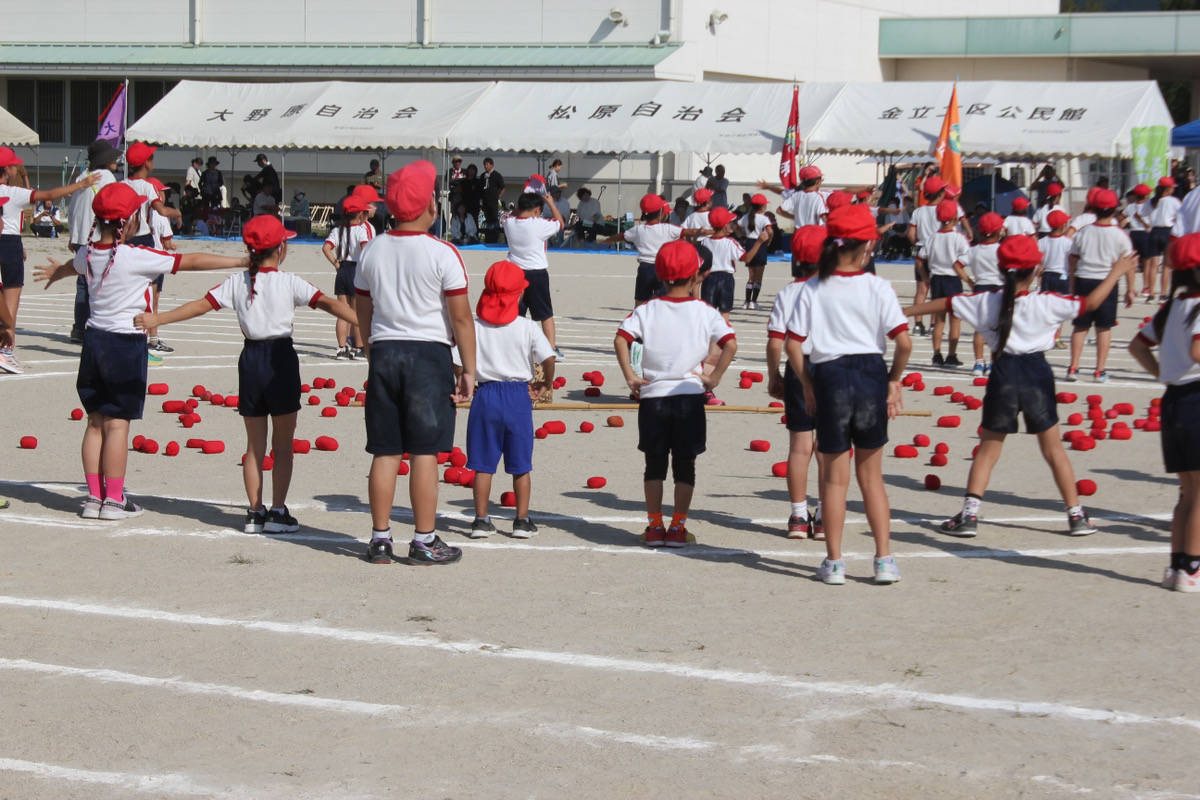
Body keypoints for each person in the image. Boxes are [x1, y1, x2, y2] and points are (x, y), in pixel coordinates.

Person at [32, 182, 247, 519]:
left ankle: (93, 498)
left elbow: (70, 267)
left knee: (95, 423)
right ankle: (115, 500)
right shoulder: (136, 256)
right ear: (129, 221)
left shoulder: (87, 252)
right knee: (118, 425)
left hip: (94, 343)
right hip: (125, 344)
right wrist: (239, 260)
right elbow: (188, 261)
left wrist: (54, 273)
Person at [134, 214, 356, 533]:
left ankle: (254, 513)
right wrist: (368, 324)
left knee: (254, 445)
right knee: (282, 445)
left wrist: (159, 319)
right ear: (281, 248)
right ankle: (278, 513)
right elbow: (330, 305)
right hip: (280, 360)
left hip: (250, 359)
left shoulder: (238, 282)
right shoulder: (289, 281)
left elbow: (200, 305)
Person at [909, 235, 1135, 539]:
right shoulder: (1048, 301)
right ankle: (1076, 515)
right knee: (1054, 450)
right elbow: (1092, 303)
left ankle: (969, 516)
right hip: (1037, 373)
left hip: (1003, 372)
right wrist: (1117, 272)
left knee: (988, 451)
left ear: (1001, 268)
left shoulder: (985, 301)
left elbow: (946, 303)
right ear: (1037, 268)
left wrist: (903, 313)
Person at [354, 160, 476, 567]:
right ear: (431, 207)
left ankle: (380, 538)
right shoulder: (443, 252)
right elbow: (460, 316)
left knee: (385, 450)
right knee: (425, 451)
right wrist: (469, 368)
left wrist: (372, 349)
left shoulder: (372, 248)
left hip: (385, 351)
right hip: (428, 355)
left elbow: (363, 307)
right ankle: (424, 539)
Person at [784, 204, 912, 585]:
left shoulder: (812, 287)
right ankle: (884, 560)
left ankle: (835, 562)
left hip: (829, 376)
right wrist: (892, 380)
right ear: (869, 244)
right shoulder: (878, 286)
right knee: (872, 478)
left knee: (835, 481)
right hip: (871, 373)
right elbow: (903, 343)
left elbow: (794, 345)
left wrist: (808, 384)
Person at [615, 239, 737, 548]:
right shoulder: (705, 310)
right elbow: (731, 344)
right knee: (685, 464)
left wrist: (630, 375)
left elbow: (621, 338)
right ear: (697, 275)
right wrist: (714, 378)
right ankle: (678, 527)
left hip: (654, 397)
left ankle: (655, 527)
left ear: (659, 274)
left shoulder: (647, 309)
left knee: (654, 464)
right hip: (689, 396)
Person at [1128, 233, 1200, 592]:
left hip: (1174, 401)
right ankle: (1193, 568)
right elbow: (1199, 351)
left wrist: (1165, 374)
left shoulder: (1171, 308)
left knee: (1187, 493)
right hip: (1197, 399)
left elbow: (1137, 346)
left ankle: (1176, 567)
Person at [466, 260, 556, 539]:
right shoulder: (526, 327)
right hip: (518, 396)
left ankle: (481, 520)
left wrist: (462, 380)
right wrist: (544, 382)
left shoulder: (475, 325)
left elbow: (458, 362)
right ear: (519, 294)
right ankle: (521, 520)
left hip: (486, 394)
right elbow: (548, 357)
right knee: (520, 465)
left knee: (482, 464)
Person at [0, 146, 98, 371]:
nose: (17, 167)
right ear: (6, 169)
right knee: (11, 297)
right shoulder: (14, 192)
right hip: (9, 244)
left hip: (9, 238)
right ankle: (5, 349)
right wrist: (81, 184)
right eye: (14, 164)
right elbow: (50, 195)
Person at [766, 225, 825, 539]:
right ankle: (827, 515)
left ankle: (799, 517)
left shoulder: (788, 293)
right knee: (830, 448)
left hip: (798, 367)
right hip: (833, 371)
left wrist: (774, 374)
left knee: (800, 448)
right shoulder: (835, 290)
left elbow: (776, 342)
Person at [1066, 189, 1132, 383]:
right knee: (1104, 328)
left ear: (1093, 209)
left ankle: (1073, 367)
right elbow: (1128, 263)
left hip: (1083, 280)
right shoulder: (1120, 235)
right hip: (1107, 282)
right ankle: (1099, 370)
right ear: (1114, 210)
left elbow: (1073, 260)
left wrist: (1072, 284)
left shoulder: (1083, 232)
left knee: (1080, 327)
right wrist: (1130, 289)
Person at [68, 139, 123, 343]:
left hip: (79, 236)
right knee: (99, 283)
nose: (116, 160)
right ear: (105, 160)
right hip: (98, 235)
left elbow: (72, 209)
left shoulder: (82, 176)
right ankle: (93, 327)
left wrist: (72, 235)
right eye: (112, 157)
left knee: (83, 282)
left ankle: (78, 328)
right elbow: (115, 203)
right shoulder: (107, 177)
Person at [503, 186, 565, 358]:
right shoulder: (539, 225)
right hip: (537, 273)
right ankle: (551, 348)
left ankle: (516, 348)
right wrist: (551, 203)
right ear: (537, 210)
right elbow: (560, 223)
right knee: (545, 313)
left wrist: (523, 204)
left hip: (515, 272)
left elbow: (515, 214)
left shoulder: (509, 223)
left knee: (516, 313)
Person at [601, 194, 686, 306]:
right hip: (663, 268)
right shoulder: (668, 229)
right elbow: (689, 232)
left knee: (640, 302)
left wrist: (606, 240)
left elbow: (620, 236)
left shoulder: (638, 230)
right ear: (661, 212)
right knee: (664, 302)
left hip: (645, 269)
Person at [922, 199, 973, 367]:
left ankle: (936, 355)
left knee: (939, 320)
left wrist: (925, 276)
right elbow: (965, 259)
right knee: (955, 319)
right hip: (953, 279)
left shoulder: (931, 238)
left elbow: (919, 258)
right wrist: (968, 280)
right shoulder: (959, 238)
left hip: (936, 279)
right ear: (955, 218)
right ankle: (951, 354)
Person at [322, 195, 372, 359]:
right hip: (355, 270)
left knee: (343, 311)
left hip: (342, 269)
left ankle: (341, 348)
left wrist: (336, 263)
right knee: (357, 312)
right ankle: (358, 347)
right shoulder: (360, 230)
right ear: (360, 215)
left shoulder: (337, 230)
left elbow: (326, 248)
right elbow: (365, 249)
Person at [701, 206, 767, 322]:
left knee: (708, 315)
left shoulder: (704, 242)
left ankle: (709, 339)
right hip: (726, 278)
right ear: (726, 226)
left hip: (708, 278)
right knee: (724, 314)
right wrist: (759, 242)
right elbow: (746, 258)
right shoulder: (730, 242)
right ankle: (722, 337)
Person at [966, 212, 1005, 376]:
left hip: (980, 287)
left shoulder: (974, 250)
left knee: (979, 328)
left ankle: (978, 363)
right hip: (998, 289)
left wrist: (969, 280)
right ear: (999, 231)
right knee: (996, 328)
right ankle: (993, 362)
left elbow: (957, 264)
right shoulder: (1001, 249)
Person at [1144, 177, 1181, 303]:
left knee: (1153, 265)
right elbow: (1180, 216)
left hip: (1154, 231)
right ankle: (1163, 294)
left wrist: (1147, 223)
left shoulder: (1152, 201)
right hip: (1167, 232)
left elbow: (1142, 213)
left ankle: (1150, 294)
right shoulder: (1174, 201)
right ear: (1169, 189)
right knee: (1166, 266)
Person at [737, 193, 773, 309]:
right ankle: (754, 301)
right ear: (762, 206)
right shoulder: (764, 218)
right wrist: (768, 240)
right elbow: (770, 231)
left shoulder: (746, 216)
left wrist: (744, 235)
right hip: (760, 244)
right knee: (759, 276)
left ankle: (746, 301)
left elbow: (735, 227)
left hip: (749, 243)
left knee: (751, 275)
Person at [480, 157, 505, 243]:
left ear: (492, 165)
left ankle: (494, 237)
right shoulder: (483, 176)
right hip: (485, 202)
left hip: (493, 202)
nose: (485, 166)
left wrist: (498, 196)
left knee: (494, 219)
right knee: (486, 219)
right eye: (484, 165)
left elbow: (503, 188)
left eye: (487, 164)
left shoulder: (497, 175)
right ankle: (488, 237)